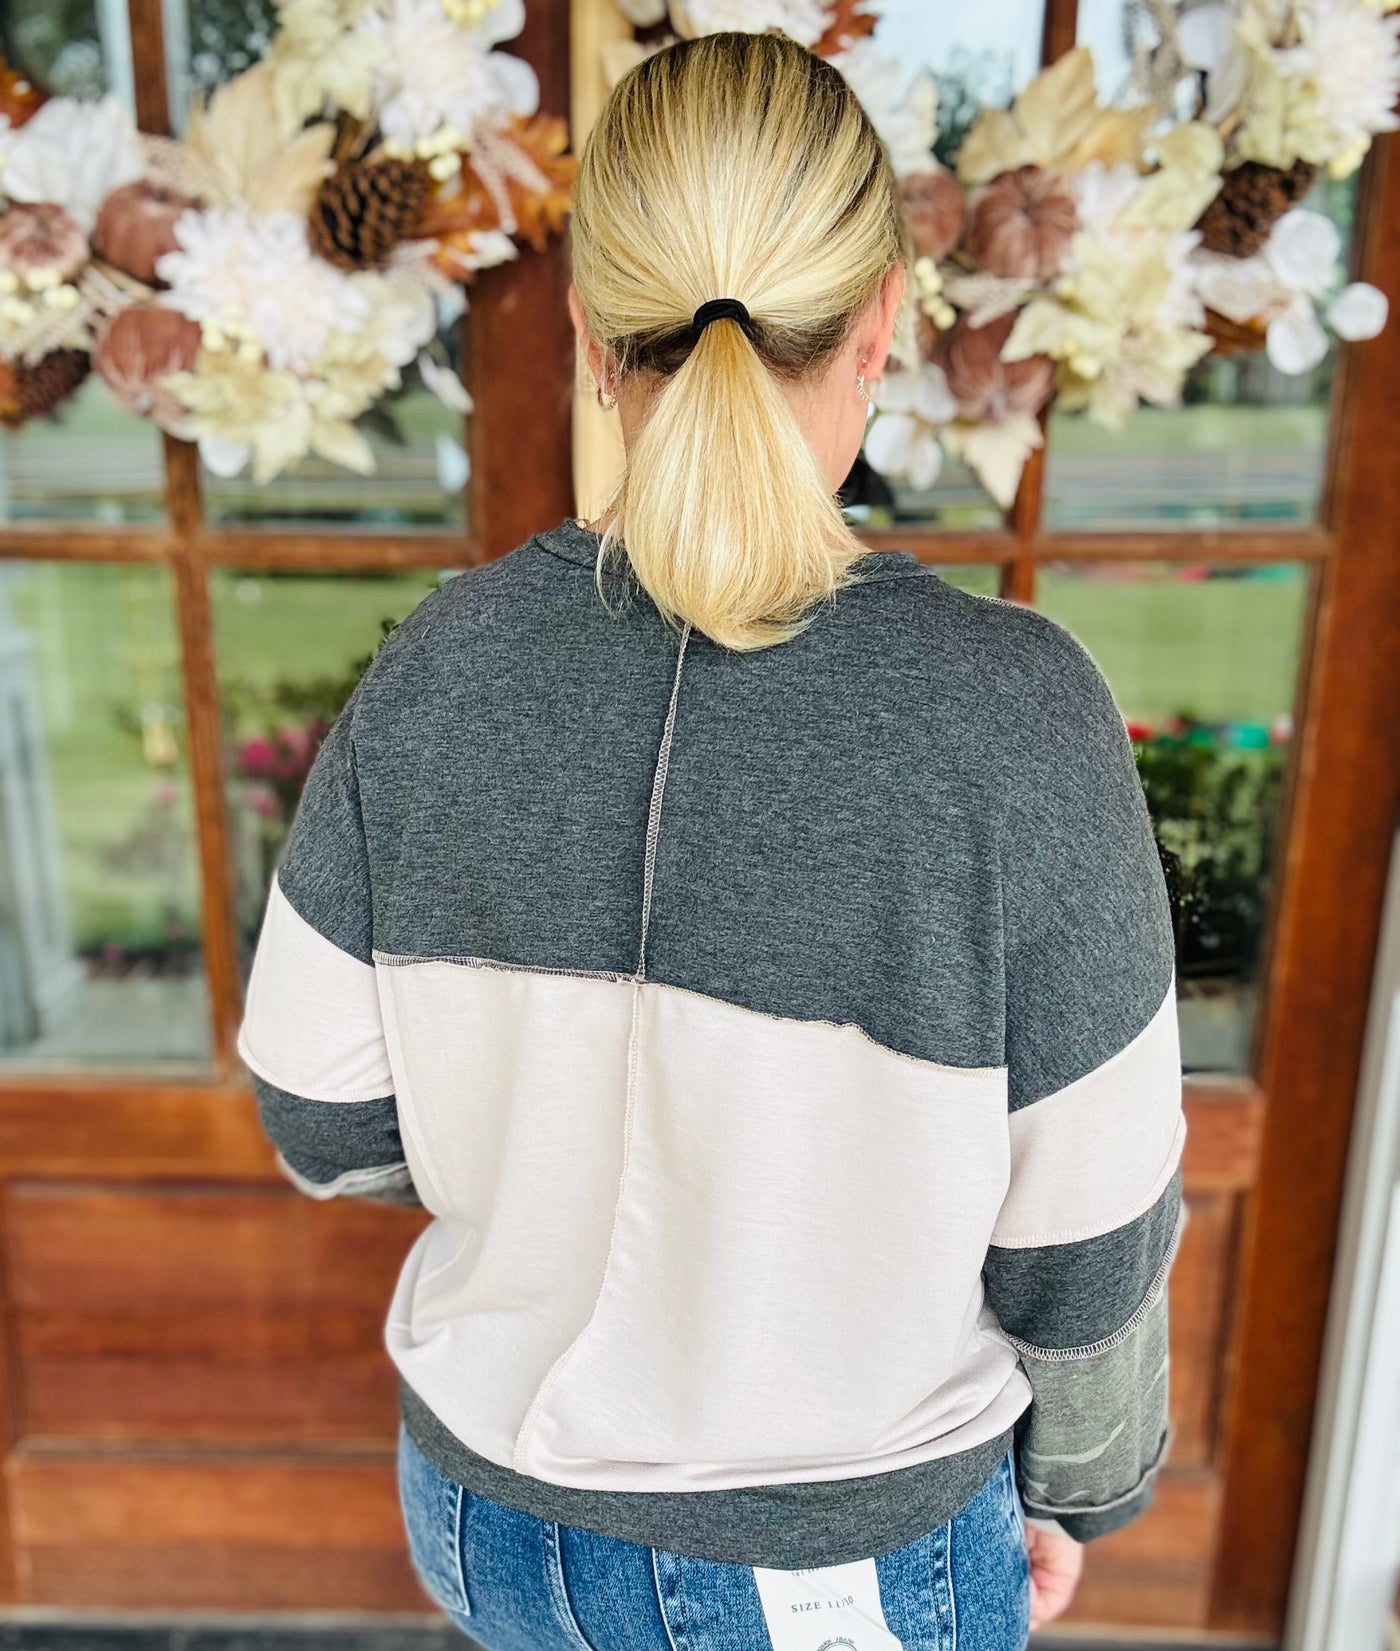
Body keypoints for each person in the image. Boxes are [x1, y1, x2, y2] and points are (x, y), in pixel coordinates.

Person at [236, 27, 1186, 1651]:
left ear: (597, 343)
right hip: (834, 1550)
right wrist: (1076, 1490)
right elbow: (1087, 1247)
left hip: (488, 1516)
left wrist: (533, 1159)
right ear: (887, 317)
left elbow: (317, 1114)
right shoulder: (1012, 716)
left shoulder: (443, 661)